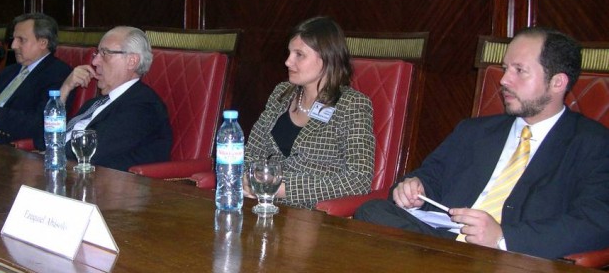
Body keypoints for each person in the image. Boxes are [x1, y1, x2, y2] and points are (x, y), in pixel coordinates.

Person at [354, 27, 609, 259]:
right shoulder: (475, 131)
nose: (503, 80)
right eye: (505, 68)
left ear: (557, 82)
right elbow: (432, 175)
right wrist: (415, 188)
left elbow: (596, 222)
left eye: (519, 70)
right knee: (373, 211)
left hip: (514, 257)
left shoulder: (592, 144)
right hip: (441, 242)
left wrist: (502, 236)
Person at [244, 16, 375, 209]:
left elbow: (359, 179)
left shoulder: (352, 105)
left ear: (327, 58)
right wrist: (248, 180)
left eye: (299, 54)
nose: (288, 62)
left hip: (315, 216)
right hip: (261, 205)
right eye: (289, 53)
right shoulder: (281, 94)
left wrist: (285, 188)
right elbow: (251, 153)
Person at [58, 26, 172, 171]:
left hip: (109, 186)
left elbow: (89, 153)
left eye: (105, 53)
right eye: (97, 53)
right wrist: (65, 89)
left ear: (132, 61)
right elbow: (41, 138)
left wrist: (51, 151)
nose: (95, 62)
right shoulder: (96, 103)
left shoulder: (143, 106)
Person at [0, 13, 71, 148]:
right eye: (14, 39)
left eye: (21, 40)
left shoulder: (58, 74)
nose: (14, 45)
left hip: (8, 154)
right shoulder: (9, 71)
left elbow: (40, 124)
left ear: (43, 43)